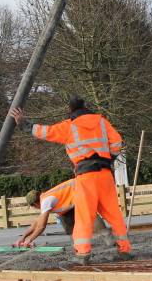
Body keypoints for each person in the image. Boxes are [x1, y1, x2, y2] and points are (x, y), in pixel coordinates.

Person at [11, 96, 130, 264]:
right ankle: (124, 250)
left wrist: (23, 124)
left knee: (83, 216)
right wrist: (108, 159)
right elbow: (117, 142)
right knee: (114, 214)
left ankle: (83, 254)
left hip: (86, 176)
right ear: (85, 107)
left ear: (71, 111)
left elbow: (45, 132)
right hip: (105, 174)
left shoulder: (70, 126)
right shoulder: (102, 122)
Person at [17, 179, 109, 248]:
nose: (35, 208)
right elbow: (37, 223)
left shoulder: (45, 201)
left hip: (81, 191)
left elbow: (41, 226)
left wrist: (30, 239)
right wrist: (24, 237)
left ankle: (110, 240)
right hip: (72, 203)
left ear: (35, 203)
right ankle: (80, 249)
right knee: (66, 223)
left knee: (90, 217)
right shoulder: (45, 199)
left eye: (33, 206)